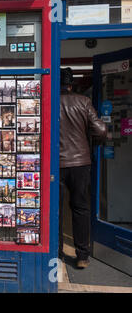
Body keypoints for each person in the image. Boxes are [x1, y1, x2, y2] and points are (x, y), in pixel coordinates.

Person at [59, 68, 107, 269]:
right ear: (72, 84)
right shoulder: (83, 101)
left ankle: (56, 252)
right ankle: (82, 255)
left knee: (56, 209)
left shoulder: (50, 100)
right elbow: (101, 130)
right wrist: (93, 142)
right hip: (80, 164)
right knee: (80, 208)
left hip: (57, 164)